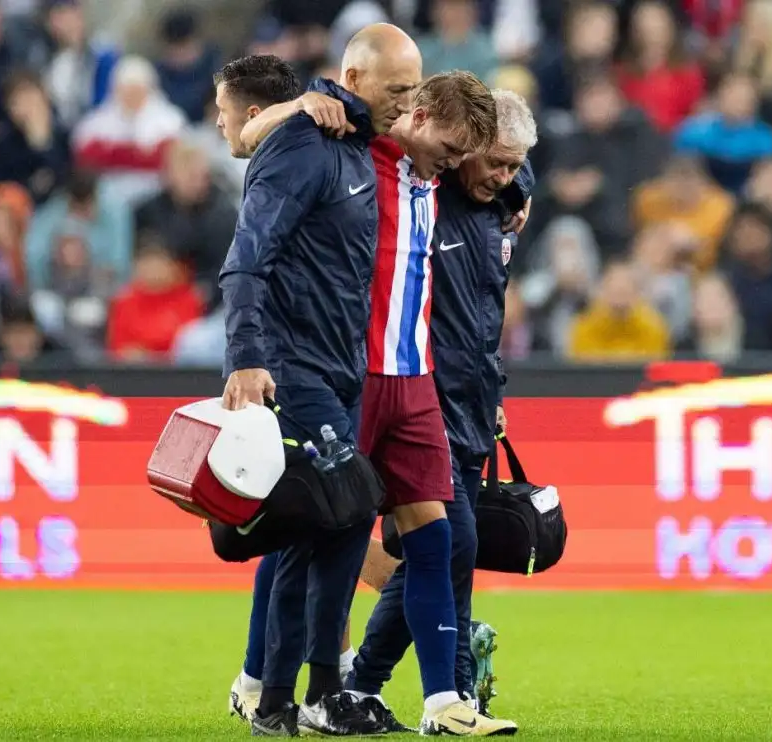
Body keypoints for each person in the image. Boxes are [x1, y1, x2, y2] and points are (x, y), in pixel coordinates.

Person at [237, 25, 516, 737]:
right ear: (411, 115)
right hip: (346, 374)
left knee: (439, 538)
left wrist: (518, 182)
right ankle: (266, 682)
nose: (459, 163)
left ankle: (438, 701)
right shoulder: (370, 150)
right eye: (453, 148)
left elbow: (497, 158)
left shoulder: (448, 177)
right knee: (313, 531)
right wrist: (299, 105)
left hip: (414, 379)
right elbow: (247, 139)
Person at [347, 90, 536, 720]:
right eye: (497, 163)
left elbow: (484, 320)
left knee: (438, 545)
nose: (506, 177)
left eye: (517, 167)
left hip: (471, 398)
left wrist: (494, 390)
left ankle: (363, 682)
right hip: (414, 390)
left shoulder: (494, 208)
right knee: (447, 541)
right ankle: (439, 694)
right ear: (462, 150)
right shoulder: (431, 190)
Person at [214, 53, 380, 736]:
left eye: (221, 112)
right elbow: (246, 258)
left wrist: (516, 188)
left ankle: (299, 692)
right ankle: (281, 696)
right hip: (292, 368)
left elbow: (457, 121)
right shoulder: (298, 149)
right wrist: (247, 357)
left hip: (344, 365)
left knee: (330, 528)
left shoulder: (351, 142)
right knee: (328, 513)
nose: (218, 125)